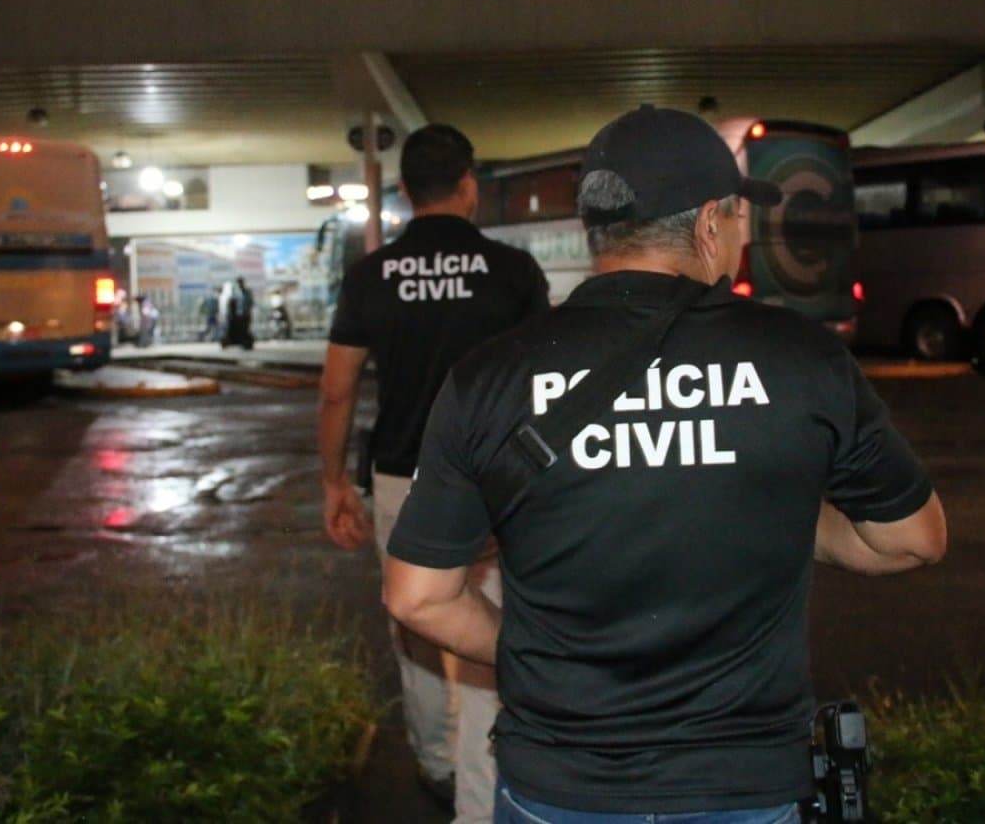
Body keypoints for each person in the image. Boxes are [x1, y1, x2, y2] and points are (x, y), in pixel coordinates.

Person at [382, 105, 948, 823]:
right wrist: (777, 505)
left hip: (560, 785)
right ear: (711, 223)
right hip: (744, 786)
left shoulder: (489, 378)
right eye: (741, 218)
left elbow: (417, 597)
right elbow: (911, 538)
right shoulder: (802, 358)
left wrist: (535, 658)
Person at [318, 123, 550, 824]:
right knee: (489, 625)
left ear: (403, 192)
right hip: (497, 481)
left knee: (414, 621)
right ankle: (482, 800)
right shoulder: (512, 273)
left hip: (401, 475)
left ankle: (433, 759)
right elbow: (545, 385)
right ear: (469, 184)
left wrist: (333, 482)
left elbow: (337, 388)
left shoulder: (370, 277)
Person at [221, 276, 255, 349]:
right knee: (236, 328)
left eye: (240, 282)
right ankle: (238, 341)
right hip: (237, 315)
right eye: (238, 283)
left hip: (245, 314)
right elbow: (231, 303)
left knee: (244, 329)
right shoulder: (235, 293)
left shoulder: (247, 292)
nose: (240, 284)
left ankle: (245, 342)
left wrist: (247, 311)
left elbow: (250, 303)